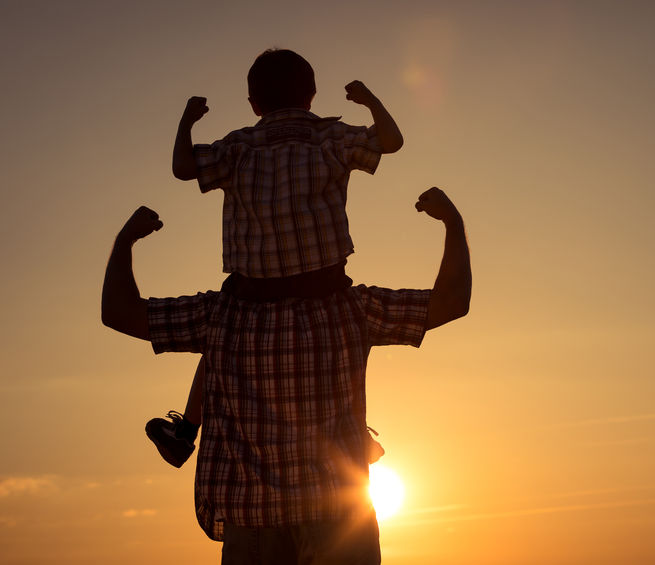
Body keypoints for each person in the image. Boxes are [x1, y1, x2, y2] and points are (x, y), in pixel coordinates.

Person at [101, 187, 471, 563]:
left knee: (215, 355)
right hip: (340, 519)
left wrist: (125, 241)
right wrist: (453, 223)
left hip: (254, 520)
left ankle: (184, 432)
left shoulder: (222, 315)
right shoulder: (354, 309)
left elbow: (119, 312)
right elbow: (452, 300)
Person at [147, 48, 405, 467]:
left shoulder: (238, 146)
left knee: (217, 341)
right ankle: (355, 431)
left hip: (252, 294)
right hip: (324, 285)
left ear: (253, 104)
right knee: (354, 329)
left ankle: (185, 432)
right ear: (313, 95)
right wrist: (371, 100)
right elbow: (392, 142)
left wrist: (186, 122)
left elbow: (182, 167)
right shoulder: (330, 136)